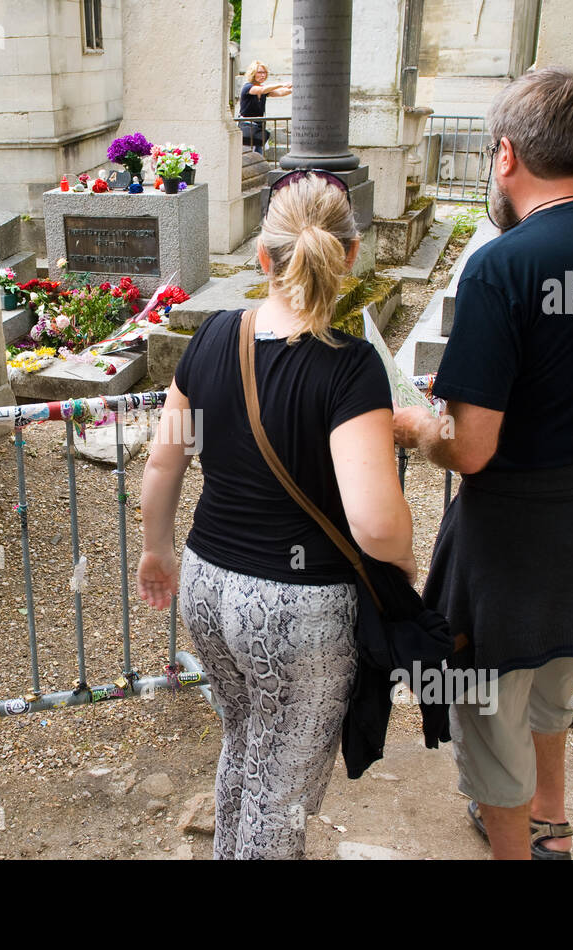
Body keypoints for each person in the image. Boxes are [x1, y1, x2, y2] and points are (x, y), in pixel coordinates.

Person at [392, 67, 573, 860]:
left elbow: (475, 447)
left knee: (489, 709)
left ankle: (520, 848)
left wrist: (422, 429)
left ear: (507, 155)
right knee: (555, 678)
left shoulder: (503, 266)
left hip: (519, 539)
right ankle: (552, 823)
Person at [136, 172, 415, 859]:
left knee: (246, 738)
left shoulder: (211, 339)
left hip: (207, 582)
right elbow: (376, 525)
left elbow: (163, 463)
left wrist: (155, 549)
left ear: (263, 257)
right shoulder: (351, 370)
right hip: (299, 611)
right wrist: (405, 565)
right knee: (281, 785)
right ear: (350, 256)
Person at [239, 61, 292, 154]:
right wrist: (281, 84)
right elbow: (262, 89)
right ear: (253, 73)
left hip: (257, 131)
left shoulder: (263, 90)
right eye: (260, 72)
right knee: (248, 157)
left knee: (258, 157)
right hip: (247, 130)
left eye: (264, 73)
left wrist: (296, 88)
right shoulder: (248, 87)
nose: (263, 75)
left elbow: (281, 92)